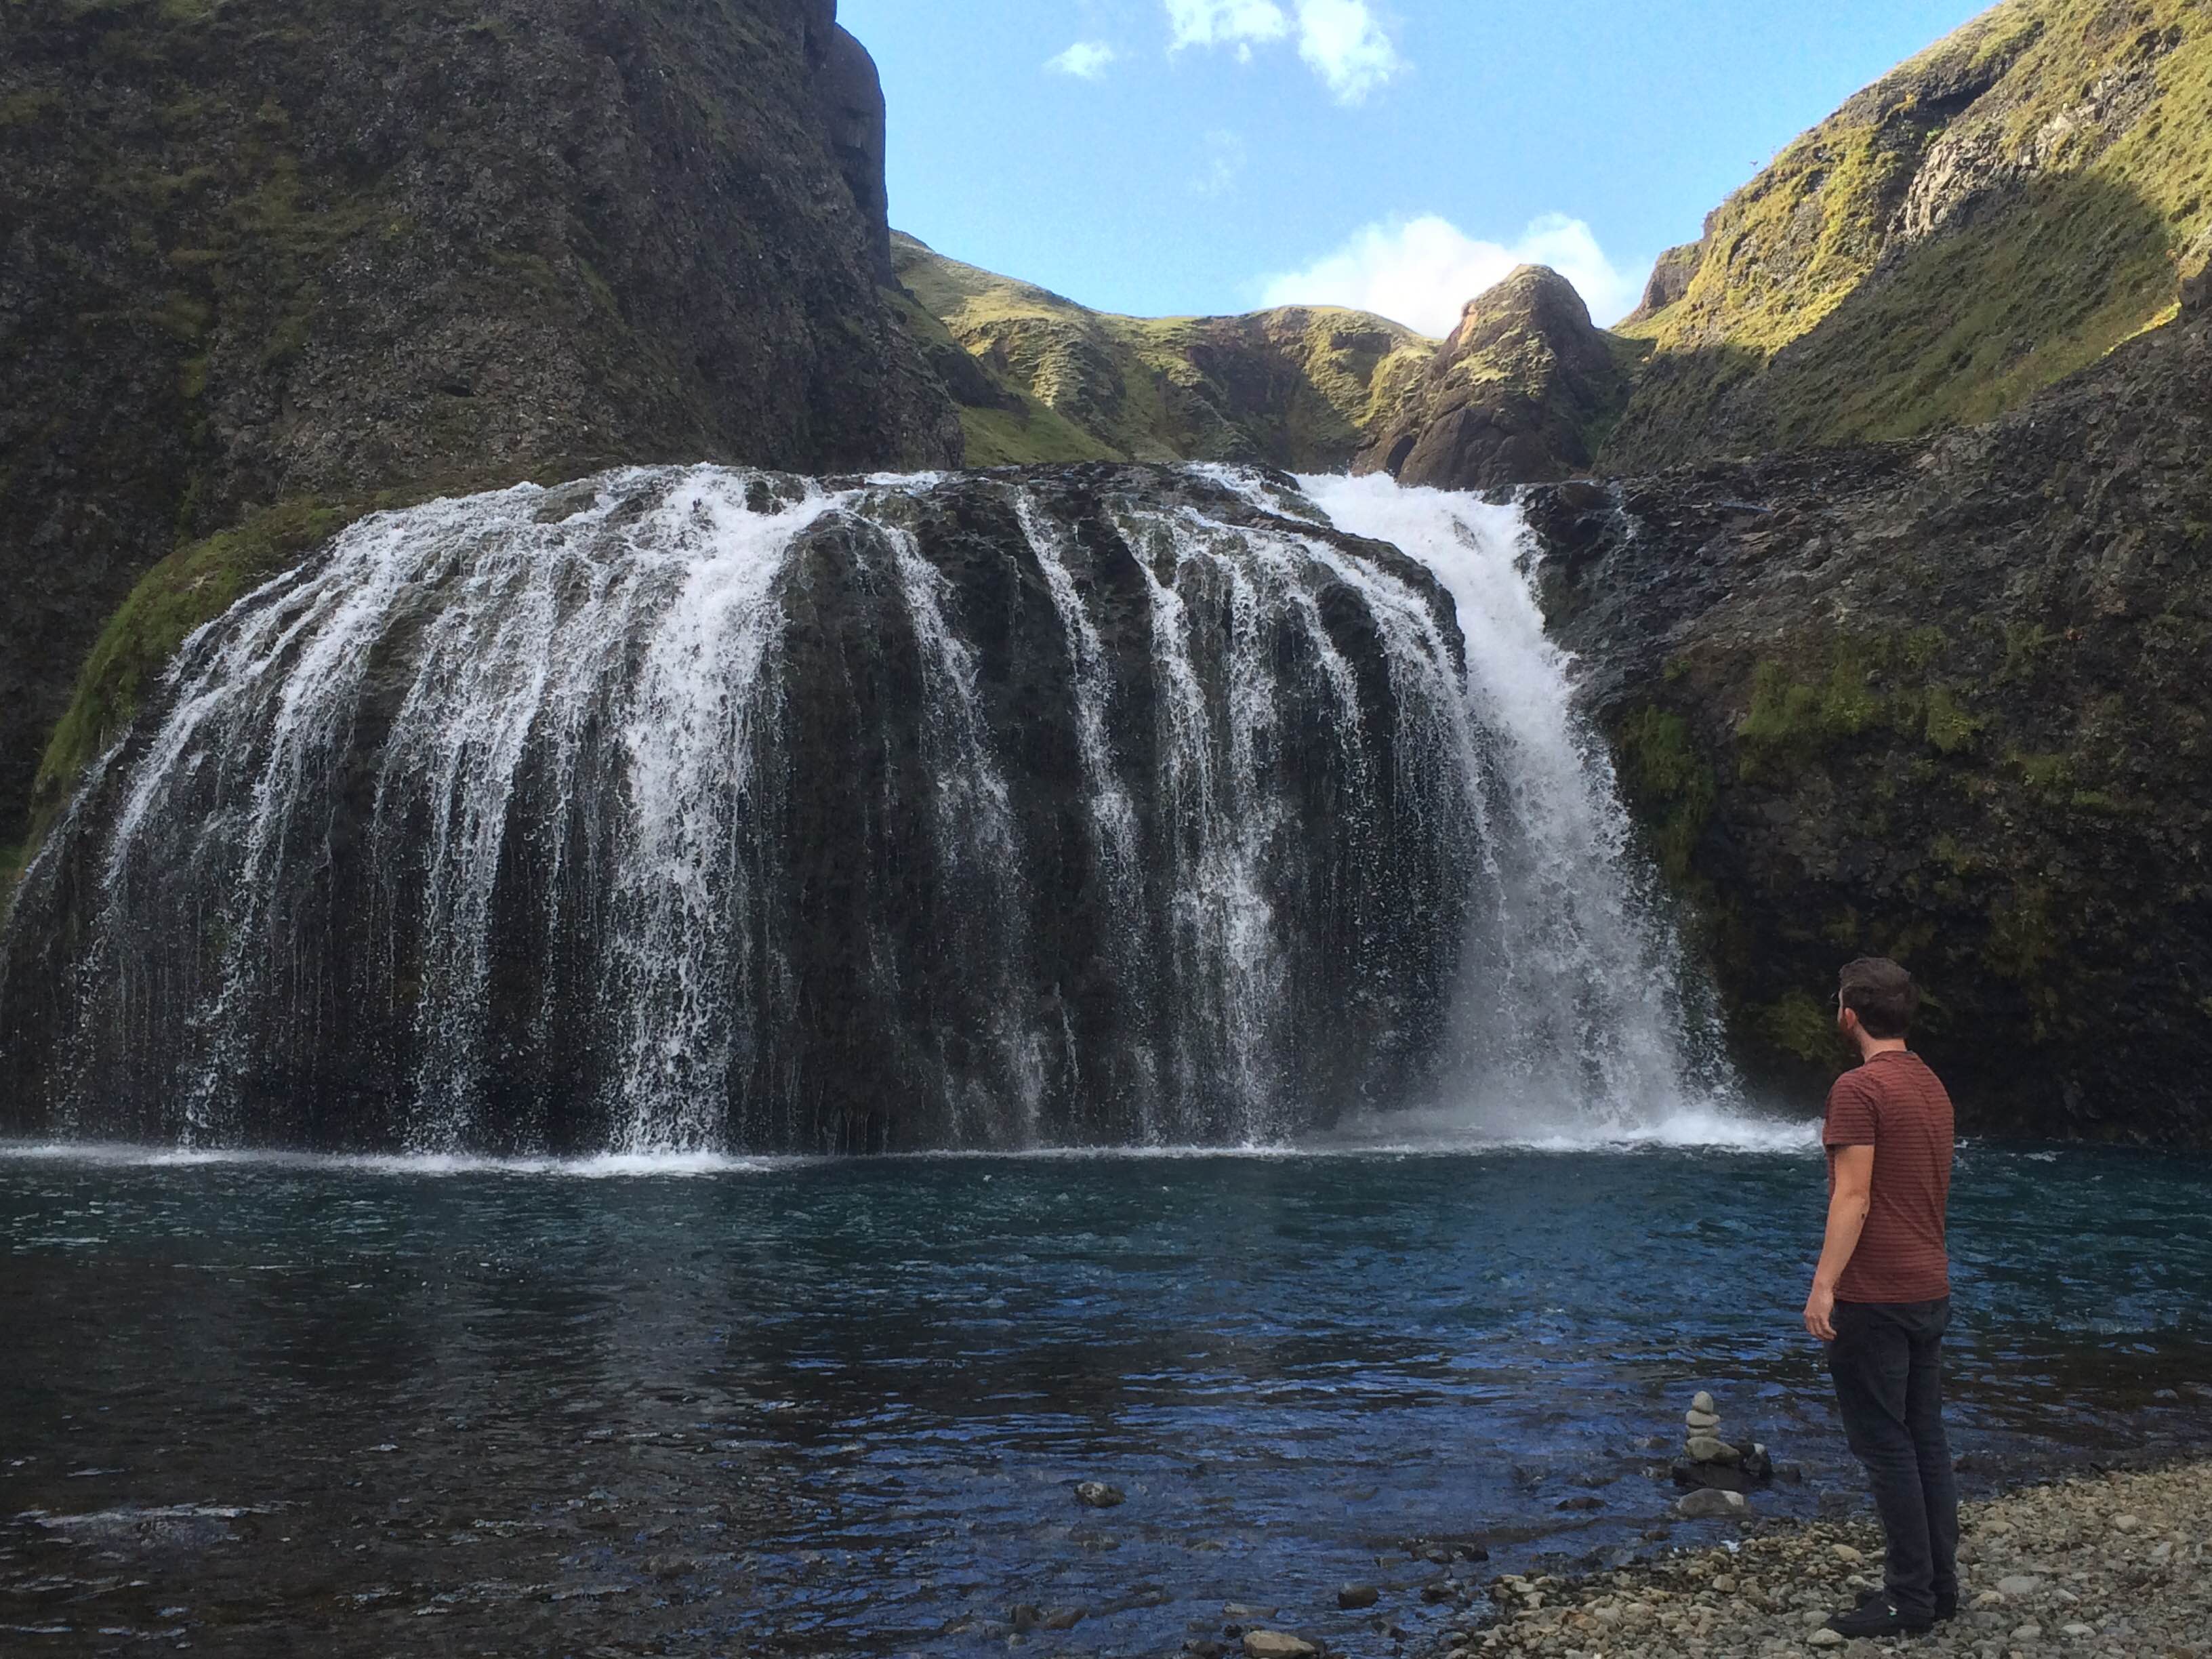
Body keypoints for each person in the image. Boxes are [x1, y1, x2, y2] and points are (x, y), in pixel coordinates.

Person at [1801, 956, 1958, 1638]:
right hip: (1929, 1286)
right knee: (1925, 1440)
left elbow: (1854, 1196)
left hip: (1875, 1293)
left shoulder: (1857, 1089)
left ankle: (1907, 1600)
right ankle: (1937, 1588)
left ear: (1850, 1014)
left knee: (1885, 1446)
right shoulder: (1930, 1083)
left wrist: (1825, 1284)